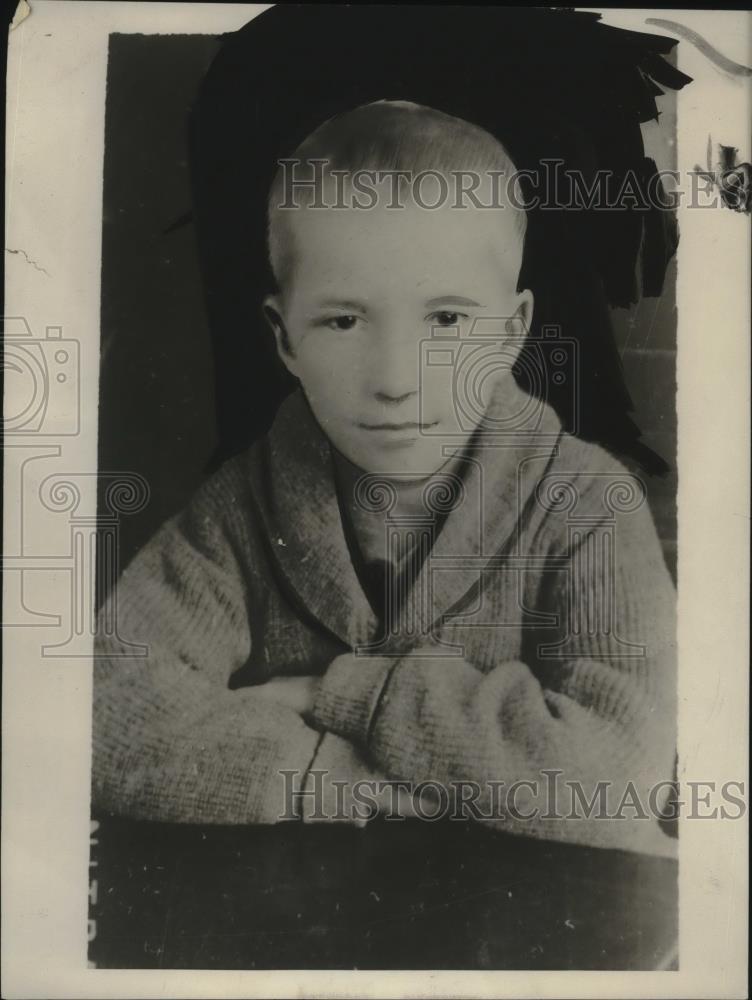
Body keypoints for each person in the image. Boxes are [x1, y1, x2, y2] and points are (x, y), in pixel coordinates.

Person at [92, 101, 677, 854]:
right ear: (285, 338)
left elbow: (623, 775)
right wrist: (340, 779)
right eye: (344, 321)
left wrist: (344, 693)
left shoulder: (590, 503)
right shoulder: (240, 506)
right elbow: (98, 712)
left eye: (446, 321)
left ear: (512, 332)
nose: (396, 380)